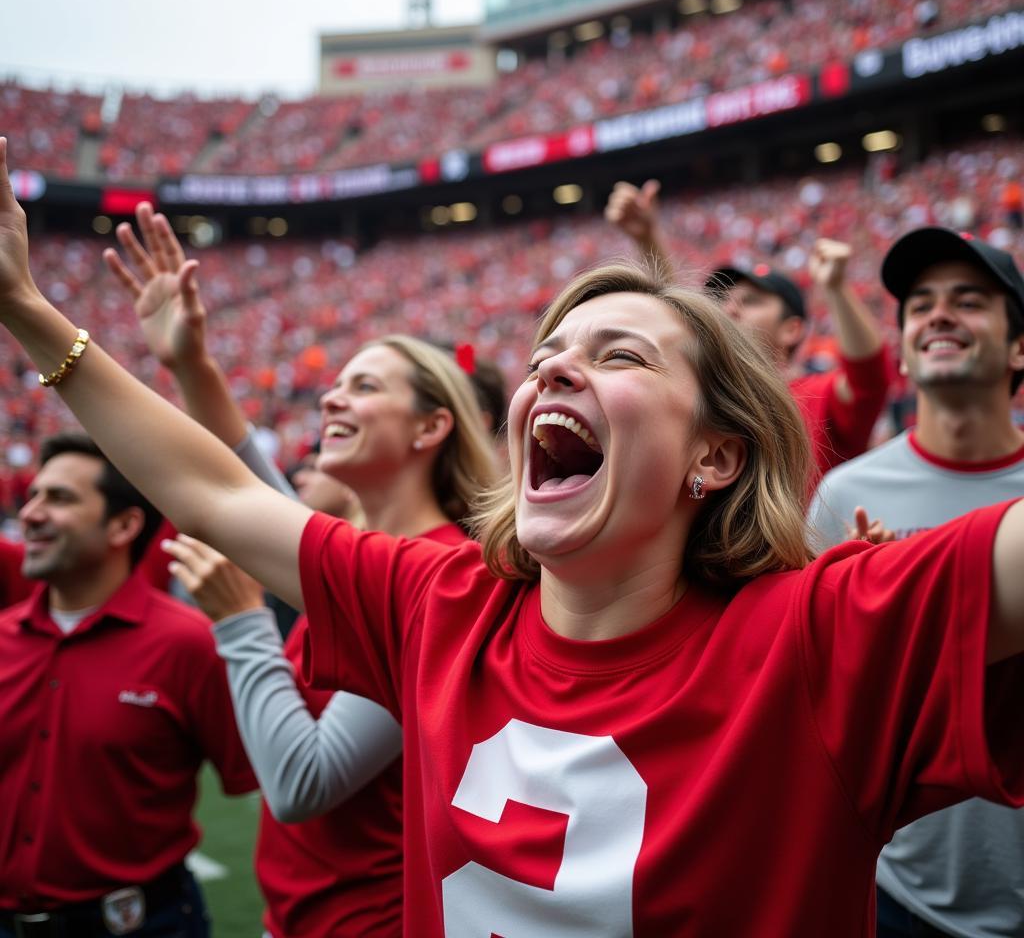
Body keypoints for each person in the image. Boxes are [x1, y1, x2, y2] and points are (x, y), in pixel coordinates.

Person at [1, 136, 1023, 935]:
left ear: (714, 456)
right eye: (546, 354)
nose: (553, 372)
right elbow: (217, 490)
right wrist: (28, 308)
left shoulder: (823, 635)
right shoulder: (442, 602)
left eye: (616, 353)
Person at [104, 201, 497, 938]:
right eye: (337, 381)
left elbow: (304, 782)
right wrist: (190, 361)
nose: (329, 396)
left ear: (432, 426)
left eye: (365, 386)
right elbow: (240, 482)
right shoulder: (366, 553)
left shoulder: (442, 572)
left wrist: (243, 623)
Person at [808, 225, 1024, 938]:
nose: (938, 315)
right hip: (901, 895)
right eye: (920, 304)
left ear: (1018, 346)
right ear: (901, 346)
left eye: (969, 301)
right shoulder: (843, 495)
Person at [0, 431, 255, 938]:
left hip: (142, 924)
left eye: (60, 498)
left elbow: (253, 778)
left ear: (123, 525)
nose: (29, 514)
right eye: (33, 496)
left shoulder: (191, 644)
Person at [605, 179, 891, 475]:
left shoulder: (819, 396)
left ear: (791, 330)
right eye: (721, 299)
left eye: (751, 301)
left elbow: (869, 378)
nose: (729, 309)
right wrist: (647, 238)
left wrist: (836, 287)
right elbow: (677, 320)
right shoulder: (711, 394)